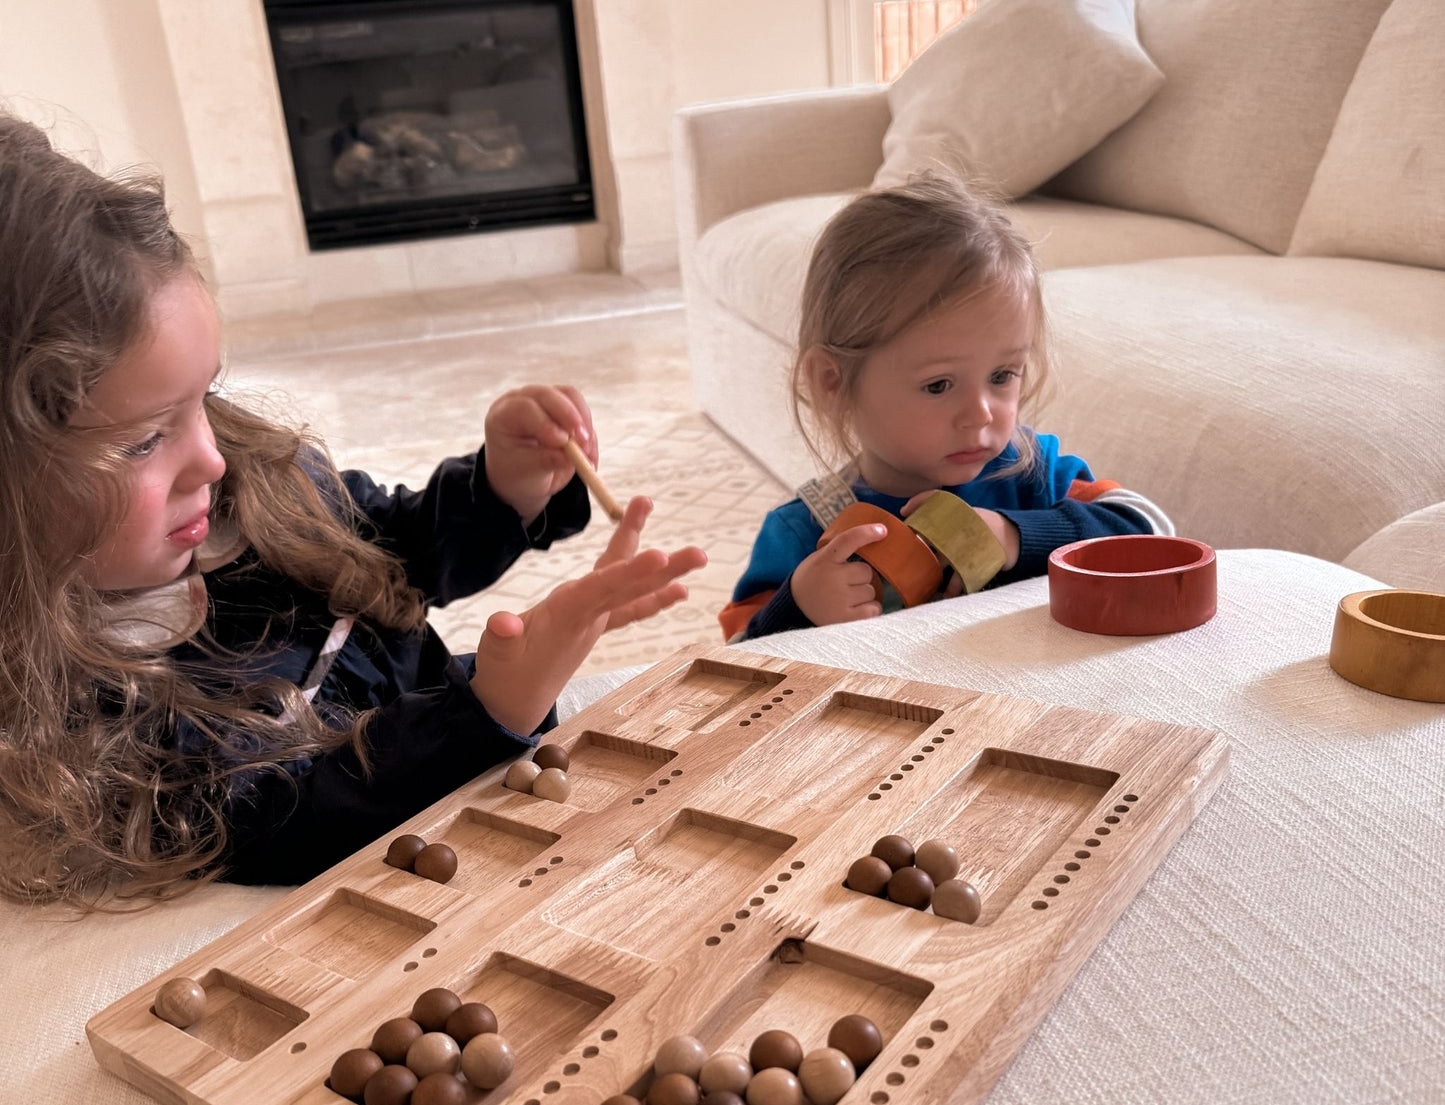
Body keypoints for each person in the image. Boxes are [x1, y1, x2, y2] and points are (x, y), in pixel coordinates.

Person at [0, 112, 706, 904]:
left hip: (487, 763)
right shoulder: (75, 707)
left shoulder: (247, 487)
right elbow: (288, 813)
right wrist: (485, 711)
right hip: (427, 840)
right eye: (141, 442)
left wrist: (500, 486)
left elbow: (391, 549)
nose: (211, 457)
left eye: (204, 397)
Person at [719, 173, 1170, 641]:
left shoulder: (1031, 476)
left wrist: (1017, 536)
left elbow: (1155, 535)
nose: (981, 414)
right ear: (834, 383)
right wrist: (800, 607)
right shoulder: (807, 531)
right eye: (938, 385)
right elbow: (733, 661)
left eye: (1001, 376)